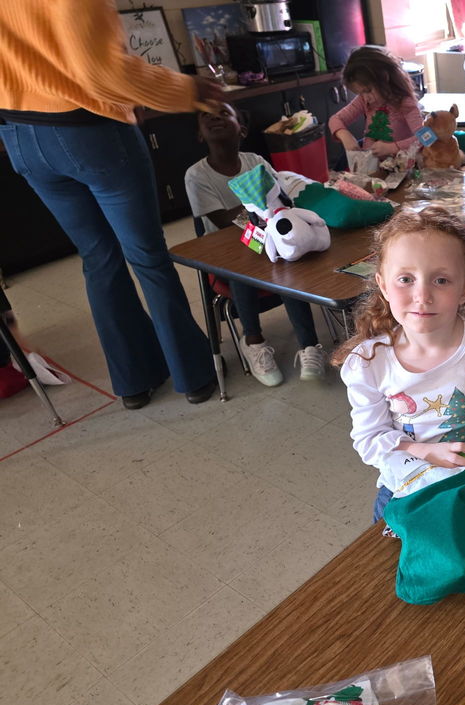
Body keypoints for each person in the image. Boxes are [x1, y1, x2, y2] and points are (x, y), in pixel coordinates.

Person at [0, 0, 220, 409]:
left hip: (20, 135)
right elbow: (101, 73)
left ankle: (134, 383)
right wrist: (188, 90)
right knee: (147, 256)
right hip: (88, 132)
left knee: (98, 259)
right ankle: (193, 376)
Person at [336, 207, 465, 522]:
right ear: (383, 285)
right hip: (409, 485)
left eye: (441, 280)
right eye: (406, 279)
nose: (422, 296)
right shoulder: (369, 364)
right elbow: (370, 439)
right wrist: (424, 452)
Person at [184, 103, 326, 385]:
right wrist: (260, 204)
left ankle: (310, 345)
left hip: (267, 240)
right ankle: (254, 342)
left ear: (243, 129)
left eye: (224, 113)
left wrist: (264, 206)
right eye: (206, 116)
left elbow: (280, 198)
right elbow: (223, 220)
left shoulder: (255, 161)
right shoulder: (197, 175)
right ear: (200, 135)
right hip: (225, 254)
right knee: (243, 265)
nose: (215, 117)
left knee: (287, 261)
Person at [328, 46, 425, 161]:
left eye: (367, 91)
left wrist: (393, 147)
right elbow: (335, 119)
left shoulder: (404, 102)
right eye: (360, 93)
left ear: (384, 78)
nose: (365, 97)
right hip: (372, 167)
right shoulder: (364, 100)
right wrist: (344, 135)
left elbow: (426, 137)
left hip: (401, 168)